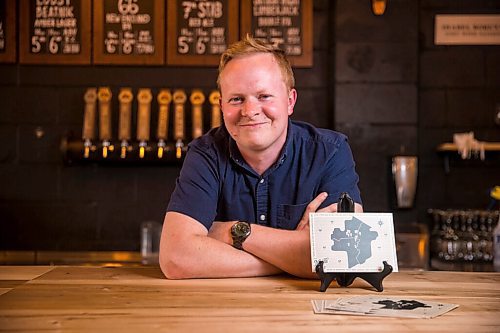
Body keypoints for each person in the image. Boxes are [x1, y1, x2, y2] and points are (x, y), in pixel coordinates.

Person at [159, 35, 363, 280]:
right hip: (223, 312)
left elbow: (347, 256)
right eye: (237, 99)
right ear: (222, 106)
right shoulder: (206, 154)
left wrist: (234, 233)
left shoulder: (330, 151)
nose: (250, 111)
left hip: (308, 314)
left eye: (264, 96)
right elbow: (176, 259)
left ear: (290, 101)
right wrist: (295, 257)